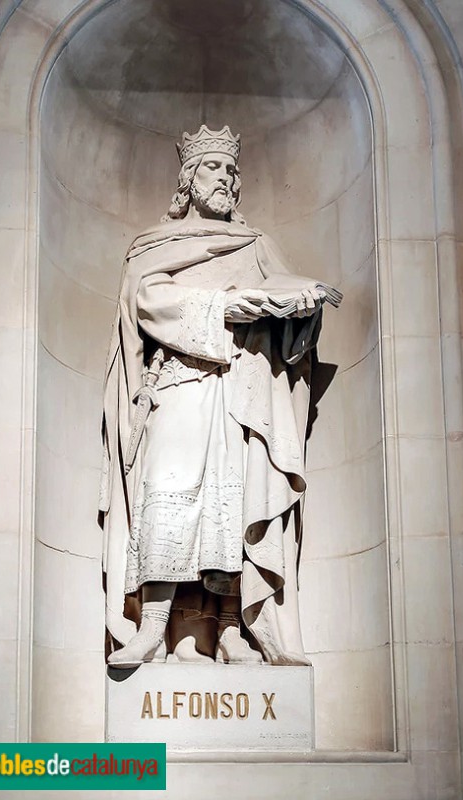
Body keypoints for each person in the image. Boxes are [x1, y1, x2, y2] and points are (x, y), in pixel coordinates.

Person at [99, 125, 337, 668]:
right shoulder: (156, 244)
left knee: (234, 507)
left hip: (243, 391)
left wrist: (302, 309)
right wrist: (224, 305)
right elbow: (146, 299)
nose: (225, 177)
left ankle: (232, 628)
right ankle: (152, 628)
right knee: (168, 493)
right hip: (180, 382)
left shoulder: (257, 245)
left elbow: (286, 311)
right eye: (213, 167)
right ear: (189, 177)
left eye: (231, 169)